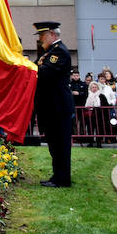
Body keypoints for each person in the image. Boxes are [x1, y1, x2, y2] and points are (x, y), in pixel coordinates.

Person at [33, 21, 74, 187]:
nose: (41, 39)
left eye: (43, 35)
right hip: (51, 106)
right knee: (54, 144)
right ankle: (57, 176)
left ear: (52, 34)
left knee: (61, 145)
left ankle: (62, 179)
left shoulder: (60, 52)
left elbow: (45, 72)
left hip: (59, 107)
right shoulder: (48, 52)